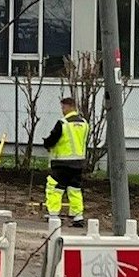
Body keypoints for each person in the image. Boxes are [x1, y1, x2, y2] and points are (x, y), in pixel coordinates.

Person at [44, 95, 88, 226]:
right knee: (75, 189)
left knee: (54, 188)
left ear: (70, 107)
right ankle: (78, 216)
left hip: (62, 162)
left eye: (63, 107)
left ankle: (53, 214)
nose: (62, 110)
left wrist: (46, 144)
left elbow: (52, 139)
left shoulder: (63, 124)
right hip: (78, 162)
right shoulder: (84, 124)